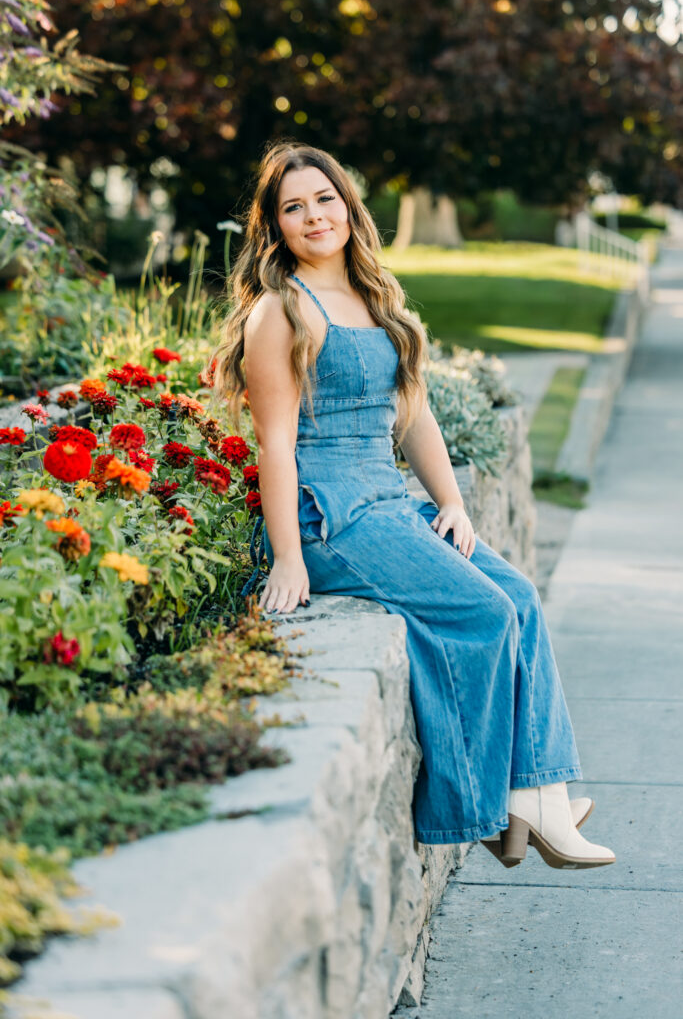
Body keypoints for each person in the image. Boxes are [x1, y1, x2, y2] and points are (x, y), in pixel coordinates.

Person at [205, 140, 615, 870]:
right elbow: (274, 446)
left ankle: (538, 796)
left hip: (387, 502)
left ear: (347, 205)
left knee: (517, 595)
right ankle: (497, 807)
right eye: (292, 207)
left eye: (323, 199)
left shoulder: (373, 293)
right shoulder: (280, 311)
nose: (313, 216)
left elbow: (413, 410)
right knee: (481, 614)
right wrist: (289, 559)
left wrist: (450, 500)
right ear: (274, 225)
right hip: (329, 514)